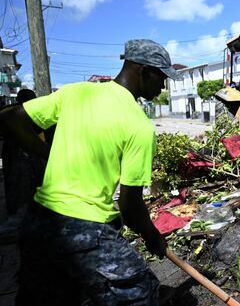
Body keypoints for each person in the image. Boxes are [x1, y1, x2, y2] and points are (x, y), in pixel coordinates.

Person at [0, 39, 182, 306]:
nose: (163, 86)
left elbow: (9, 119)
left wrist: (46, 154)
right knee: (141, 292)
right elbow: (130, 206)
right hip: (85, 229)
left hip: (39, 221)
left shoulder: (76, 93)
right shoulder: (139, 125)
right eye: (161, 78)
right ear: (143, 71)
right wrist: (153, 237)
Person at [2, 89, 47, 216]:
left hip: (14, 152)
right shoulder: (26, 113)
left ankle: (17, 211)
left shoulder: (9, 110)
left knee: (15, 184)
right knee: (27, 184)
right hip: (25, 152)